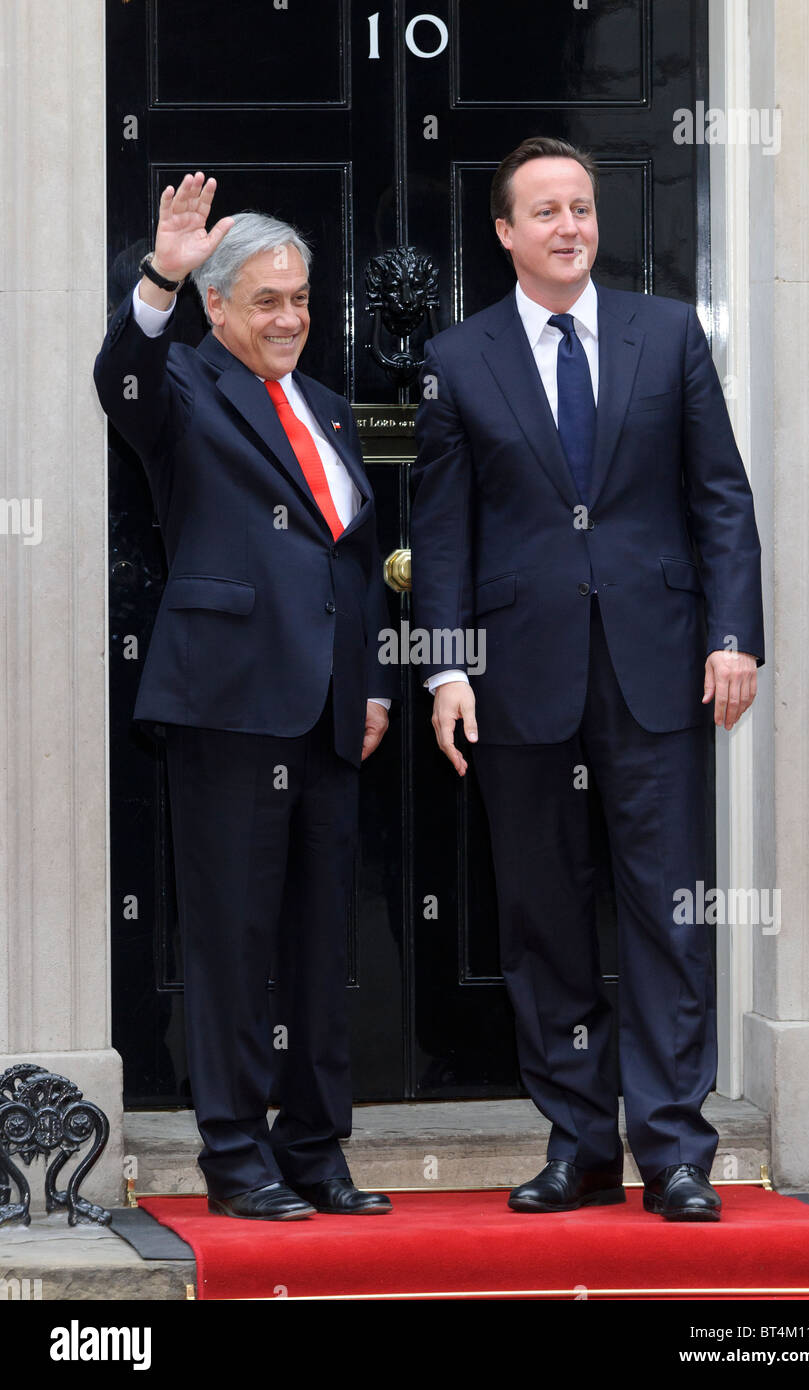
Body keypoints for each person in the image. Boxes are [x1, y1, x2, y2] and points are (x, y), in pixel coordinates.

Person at [410, 137, 764, 1222]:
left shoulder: (669, 336)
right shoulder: (459, 358)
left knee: (667, 914)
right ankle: (577, 1142)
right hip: (519, 679)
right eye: (546, 211)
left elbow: (720, 495)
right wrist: (445, 669)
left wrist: (734, 634)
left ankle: (674, 1150)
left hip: (660, 670)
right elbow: (444, 529)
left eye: (582, 207)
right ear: (506, 233)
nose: (570, 225)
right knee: (543, 921)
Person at [95, 173, 395, 1220]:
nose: (289, 318)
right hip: (227, 701)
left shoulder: (326, 406)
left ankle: (316, 1147)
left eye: (301, 299)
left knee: (325, 936)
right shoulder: (180, 386)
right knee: (230, 938)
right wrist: (158, 275)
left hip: (326, 708)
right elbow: (119, 380)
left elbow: (349, 563)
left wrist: (370, 683)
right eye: (266, 300)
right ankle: (237, 1154)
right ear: (218, 306)